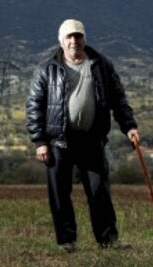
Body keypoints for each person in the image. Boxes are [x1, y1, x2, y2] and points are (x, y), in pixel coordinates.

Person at [26, 19, 139, 252]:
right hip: (59, 142)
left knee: (99, 192)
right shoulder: (46, 69)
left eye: (78, 36)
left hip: (92, 140)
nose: (73, 41)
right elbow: (34, 106)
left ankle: (108, 240)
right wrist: (39, 142)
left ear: (84, 39)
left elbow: (118, 99)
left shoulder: (101, 66)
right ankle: (67, 242)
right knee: (60, 194)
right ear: (61, 41)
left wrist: (129, 126)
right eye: (69, 37)